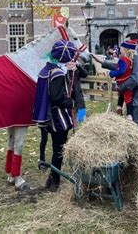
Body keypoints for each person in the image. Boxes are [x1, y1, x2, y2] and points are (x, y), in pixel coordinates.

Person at [33, 40, 77, 192]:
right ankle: (55, 181)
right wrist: (69, 102)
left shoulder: (46, 69)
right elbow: (57, 97)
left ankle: (52, 178)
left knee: (55, 148)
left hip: (48, 116)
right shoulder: (57, 73)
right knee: (59, 150)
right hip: (58, 118)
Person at [109, 41, 136, 121]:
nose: (120, 49)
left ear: (125, 49)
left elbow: (121, 71)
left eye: (121, 48)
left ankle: (129, 115)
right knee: (127, 97)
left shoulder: (123, 59)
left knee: (126, 97)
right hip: (128, 81)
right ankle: (123, 110)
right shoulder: (130, 60)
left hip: (122, 82)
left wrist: (112, 73)